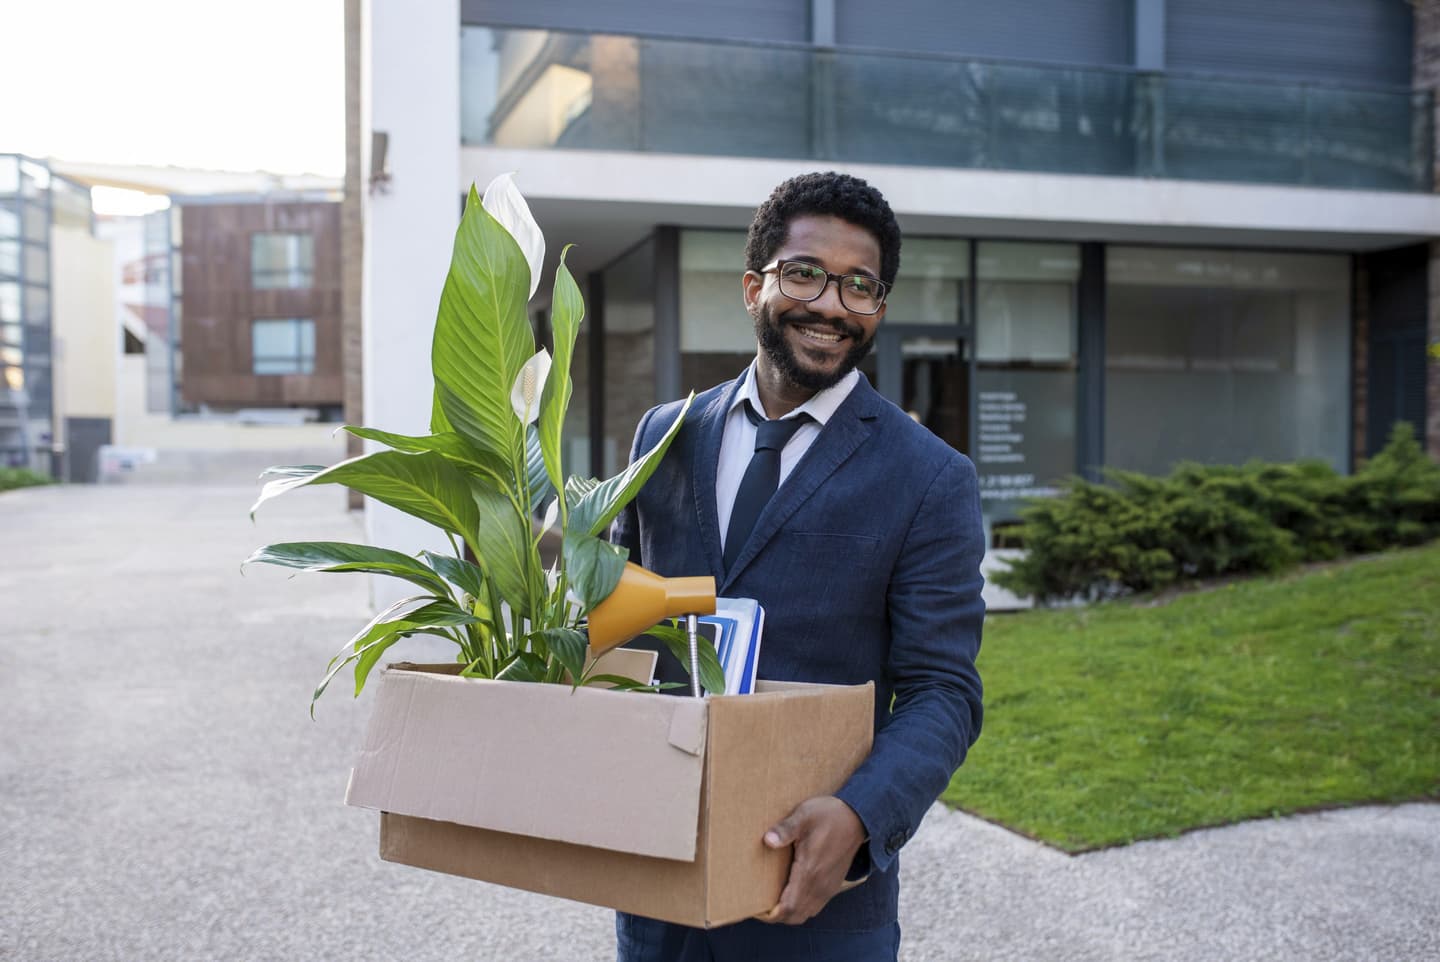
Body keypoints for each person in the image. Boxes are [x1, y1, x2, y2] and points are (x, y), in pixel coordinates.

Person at [610, 171, 986, 962]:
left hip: (813, 906)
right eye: (807, 274)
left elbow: (943, 691)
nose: (832, 307)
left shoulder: (929, 478)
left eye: (862, 287)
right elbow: (624, 627)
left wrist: (859, 816)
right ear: (756, 286)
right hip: (657, 890)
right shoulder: (662, 436)